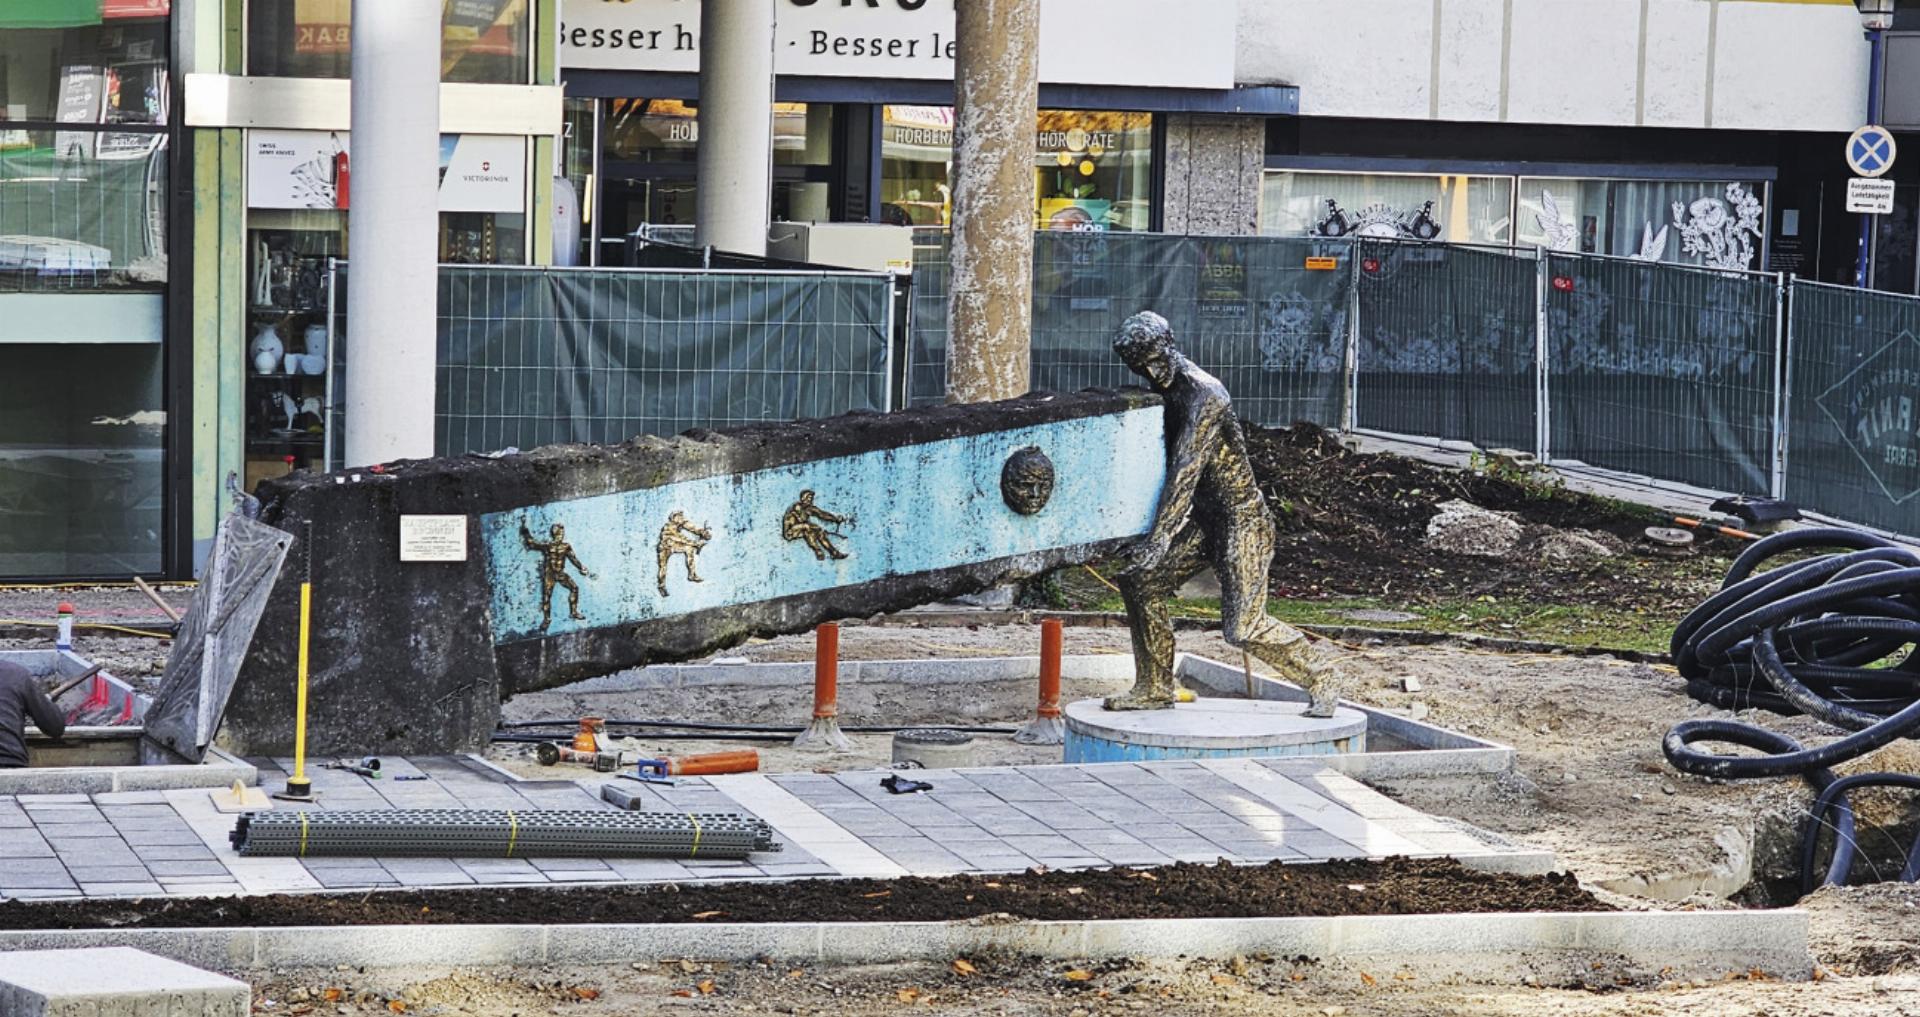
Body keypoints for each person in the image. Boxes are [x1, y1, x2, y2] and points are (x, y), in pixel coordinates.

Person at [1108, 310, 1344, 717]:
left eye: (1155, 360)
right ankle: (1155, 685)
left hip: (1242, 519)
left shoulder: (1204, 394)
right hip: (1206, 521)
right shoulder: (1161, 393)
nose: (1151, 372)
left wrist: (1160, 537)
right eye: (1140, 366)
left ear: (1170, 345)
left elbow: (1186, 469)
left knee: (1243, 626)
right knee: (1141, 582)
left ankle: (1323, 675)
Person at [520, 521, 595, 631]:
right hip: (549, 574)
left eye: (562, 533)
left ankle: (573, 612)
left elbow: (573, 559)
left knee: (574, 588)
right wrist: (525, 530)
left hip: (560, 573)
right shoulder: (548, 546)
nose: (561, 535)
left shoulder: (566, 546)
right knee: (546, 597)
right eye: (560, 533)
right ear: (555, 534)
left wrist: (581, 567)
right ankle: (547, 619)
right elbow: (531, 543)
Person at [0, 660, 65, 768]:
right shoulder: (16, 675)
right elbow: (55, 727)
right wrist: (42, 701)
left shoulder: (17, 675)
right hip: (11, 764)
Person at [782, 490, 852, 561]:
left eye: (811, 498)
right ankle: (817, 550)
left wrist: (835, 519)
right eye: (809, 497)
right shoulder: (797, 507)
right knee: (808, 527)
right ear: (803, 498)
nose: (811, 500)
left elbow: (822, 514)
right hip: (790, 532)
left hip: (801, 530)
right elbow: (802, 519)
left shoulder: (809, 508)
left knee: (818, 531)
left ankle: (833, 552)